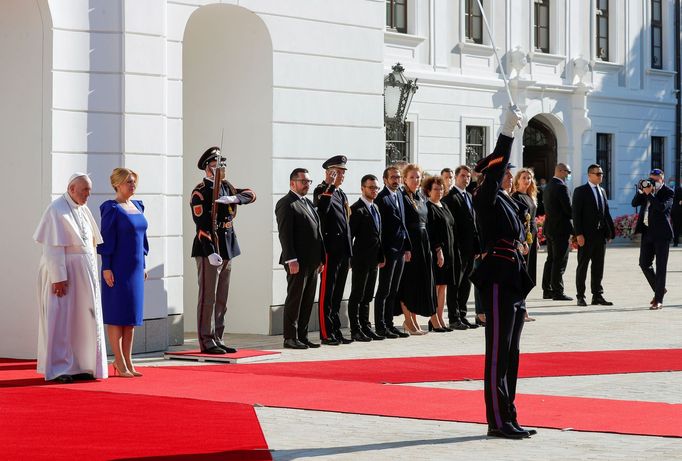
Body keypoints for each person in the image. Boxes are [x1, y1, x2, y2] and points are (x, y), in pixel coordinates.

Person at [470, 106, 536, 439]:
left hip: (512, 280)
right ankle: (497, 420)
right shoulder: (485, 197)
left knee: (512, 353)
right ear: (490, 174)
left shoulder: (509, 201)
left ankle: (509, 414)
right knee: (497, 352)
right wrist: (507, 133)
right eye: (505, 171)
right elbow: (495, 175)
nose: (509, 175)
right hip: (496, 279)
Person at [33, 173, 107, 383]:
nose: (88, 195)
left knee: (84, 320)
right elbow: (52, 247)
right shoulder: (56, 209)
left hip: (85, 277)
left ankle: (82, 365)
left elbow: (90, 244)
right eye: (84, 190)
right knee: (62, 320)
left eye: (89, 191)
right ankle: (59, 368)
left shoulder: (83, 209)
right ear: (72, 189)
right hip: (65, 277)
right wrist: (58, 277)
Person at [190, 146, 256, 354]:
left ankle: (218, 337)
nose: (221, 167)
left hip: (227, 248)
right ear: (207, 168)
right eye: (216, 164)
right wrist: (210, 251)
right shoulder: (200, 192)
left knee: (221, 298)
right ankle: (206, 340)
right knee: (207, 297)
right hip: (209, 249)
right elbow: (201, 225)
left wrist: (235, 199)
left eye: (222, 164)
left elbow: (251, 194)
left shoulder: (226, 187)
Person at [98, 168, 149, 377]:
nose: (132, 185)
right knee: (117, 316)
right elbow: (107, 239)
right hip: (117, 267)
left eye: (134, 182)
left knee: (131, 317)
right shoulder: (111, 208)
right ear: (117, 184)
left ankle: (128, 361)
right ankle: (118, 361)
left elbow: (143, 240)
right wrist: (107, 267)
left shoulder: (138, 206)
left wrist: (144, 264)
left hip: (136, 269)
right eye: (128, 182)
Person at [275, 168, 326, 349]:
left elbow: (317, 233)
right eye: (303, 181)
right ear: (292, 183)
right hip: (296, 261)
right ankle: (290, 337)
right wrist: (291, 259)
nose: (307, 185)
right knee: (295, 299)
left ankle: (302, 336)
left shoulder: (308, 203)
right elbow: (285, 235)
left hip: (312, 262)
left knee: (307, 300)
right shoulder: (286, 203)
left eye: (309, 182)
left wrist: (321, 259)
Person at [314, 155, 353, 345]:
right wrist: (329, 185)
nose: (342, 175)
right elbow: (322, 210)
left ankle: (336, 330)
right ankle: (326, 332)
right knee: (326, 294)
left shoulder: (341, 193)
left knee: (337, 295)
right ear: (329, 172)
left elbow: (346, 224)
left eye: (344, 172)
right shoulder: (322, 190)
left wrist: (350, 252)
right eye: (338, 171)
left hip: (343, 251)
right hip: (330, 250)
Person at [398, 164, 436, 334]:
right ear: (405, 179)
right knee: (408, 283)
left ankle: (413, 319)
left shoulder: (420, 197)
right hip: (410, 244)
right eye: (412, 177)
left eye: (418, 177)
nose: (415, 180)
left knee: (418, 282)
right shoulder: (402, 197)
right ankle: (407, 321)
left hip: (423, 243)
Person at [374, 167, 411, 339]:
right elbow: (379, 229)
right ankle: (380, 326)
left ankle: (389, 324)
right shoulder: (381, 198)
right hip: (388, 251)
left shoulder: (400, 196)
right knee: (384, 289)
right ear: (385, 179)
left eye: (398, 177)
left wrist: (408, 247)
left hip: (400, 249)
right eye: (393, 177)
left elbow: (404, 224)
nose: (396, 180)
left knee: (394, 290)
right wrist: (380, 253)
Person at [442, 165, 481, 330]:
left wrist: (477, 247)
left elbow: (473, 223)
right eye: (462, 176)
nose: (466, 179)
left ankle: (463, 315)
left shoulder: (469, 196)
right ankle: (454, 317)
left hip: (470, 248)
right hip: (457, 248)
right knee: (455, 284)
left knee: (466, 283)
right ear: (456, 177)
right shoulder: (451, 197)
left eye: (468, 176)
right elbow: (450, 225)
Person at [348, 175, 385, 342]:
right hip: (360, 259)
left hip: (373, 260)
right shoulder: (357, 209)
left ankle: (365, 326)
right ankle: (355, 329)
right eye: (371, 187)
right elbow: (350, 236)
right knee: (357, 294)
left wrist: (380, 256)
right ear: (362, 188)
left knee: (368, 295)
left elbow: (378, 235)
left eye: (376, 188)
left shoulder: (375, 208)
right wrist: (350, 259)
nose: (374, 190)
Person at [572, 164, 615, 307]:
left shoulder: (602, 191)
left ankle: (597, 295)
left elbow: (606, 212)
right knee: (583, 266)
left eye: (601, 173)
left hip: (600, 235)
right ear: (589, 175)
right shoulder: (580, 191)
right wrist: (578, 234)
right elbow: (576, 214)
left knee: (598, 266)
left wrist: (610, 232)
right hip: (586, 236)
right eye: (597, 173)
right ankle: (580, 296)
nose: (600, 176)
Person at [631, 168, 675, 309]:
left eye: (655, 179)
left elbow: (661, 207)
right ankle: (659, 288)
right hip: (647, 232)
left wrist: (650, 195)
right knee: (644, 264)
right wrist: (641, 190)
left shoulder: (668, 192)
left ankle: (658, 300)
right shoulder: (647, 190)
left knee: (661, 267)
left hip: (662, 234)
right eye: (651, 179)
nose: (653, 182)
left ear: (662, 178)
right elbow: (634, 203)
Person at [424, 175, 459, 332]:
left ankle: (440, 317)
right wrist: (438, 251)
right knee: (436, 286)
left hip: (449, 252)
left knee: (443, 286)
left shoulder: (443, 205)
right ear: (428, 191)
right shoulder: (428, 208)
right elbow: (431, 233)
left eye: (441, 188)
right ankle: (433, 319)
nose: (439, 191)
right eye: (435, 189)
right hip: (438, 252)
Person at [541, 163, 574, 301]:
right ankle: (557, 291)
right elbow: (568, 209)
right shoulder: (561, 186)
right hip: (560, 229)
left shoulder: (549, 185)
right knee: (559, 261)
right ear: (561, 171)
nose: (568, 175)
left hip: (550, 228)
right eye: (568, 172)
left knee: (551, 260)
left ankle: (547, 290)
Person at [511, 168, 539, 320]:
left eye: (529, 178)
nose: (527, 180)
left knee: (529, 274)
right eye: (524, 178)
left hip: (532, 240)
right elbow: (518, 221)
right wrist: (522, 242)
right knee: (522, 275)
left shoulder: (530, 196)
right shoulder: (515, 197)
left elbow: (533, 219)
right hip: (523, 241)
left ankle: (523, 308)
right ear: (518, 180)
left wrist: (535, 241)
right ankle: (521, 310)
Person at [671, 178, 682, 247]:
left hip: (676, 211)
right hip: (677, 212)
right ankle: (675, 242)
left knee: (676, 227)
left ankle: (676, 242)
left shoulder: (678, 189)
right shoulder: (678, 189)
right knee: (676, 227)